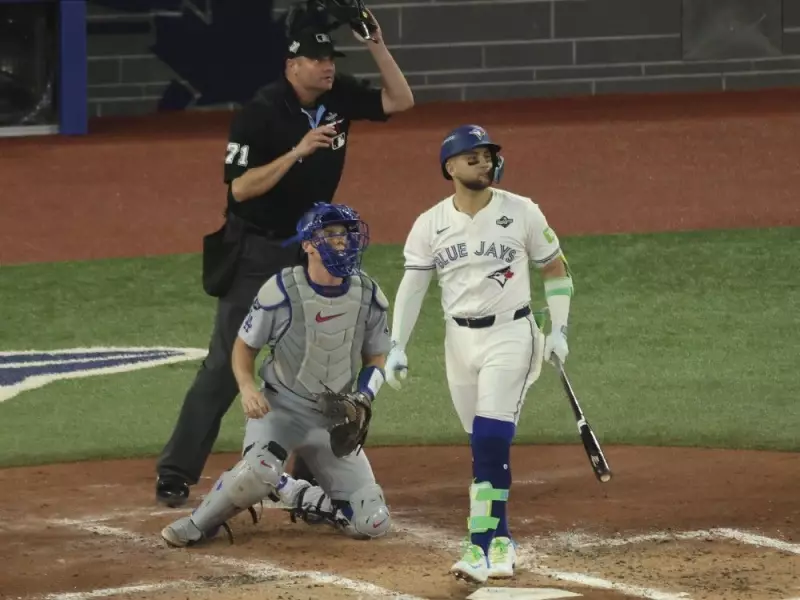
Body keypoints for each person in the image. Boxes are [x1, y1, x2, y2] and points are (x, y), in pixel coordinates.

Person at [154, 9, 414, 507]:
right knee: (225, 362)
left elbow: (401, 100)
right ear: (292, 65)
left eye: (330, 59)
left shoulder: (340, 97)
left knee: (322, 360)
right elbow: (240, 190)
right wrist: (297, 152)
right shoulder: (259, 111)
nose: (327, 67)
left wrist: (377, 43)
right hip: (258, 246)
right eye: (316, 59)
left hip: (310, 249)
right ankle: (176, 470)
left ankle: (311, 472)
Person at [383, 125, 574, 583]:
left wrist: (560, 329)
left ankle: (478, 546)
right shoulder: (430, 223)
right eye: (473, 158)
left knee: (490, 438)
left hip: (512, 335)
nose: (484, 163)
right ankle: (504, 537)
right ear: (450, 167)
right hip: (458, 341)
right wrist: (396, 345)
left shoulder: (522, 211)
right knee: (482, 445)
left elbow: (554, 268)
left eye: (488, 156)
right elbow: (413, 286)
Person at [161, 202, 393, 547]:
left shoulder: (368, 293)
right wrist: (247, 388)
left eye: (345, 234)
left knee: (372, 522)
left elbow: (376, 359)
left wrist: (363, 397)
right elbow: (243, 347)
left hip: (332, 418)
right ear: (308, 244)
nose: (342, 242)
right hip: (280, 410)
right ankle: (198, 523)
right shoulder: (282, 290)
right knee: (257, 472)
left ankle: (291, 491)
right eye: (331, 234)